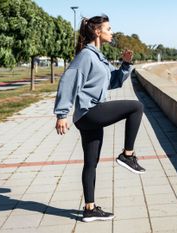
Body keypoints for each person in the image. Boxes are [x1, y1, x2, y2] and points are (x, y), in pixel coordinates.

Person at [53, 15, 146, 222]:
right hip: (90, 112)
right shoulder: (86, 56)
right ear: (97, 32)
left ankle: (89, 208)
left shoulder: (98, 57)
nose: (111, 32)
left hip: (89, 116)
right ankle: (127, 155)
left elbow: (113, 82)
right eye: (109, 28)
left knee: (91, 163)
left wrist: (125, 64)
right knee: (136, 107)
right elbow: (69, 81)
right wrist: (62, 114)